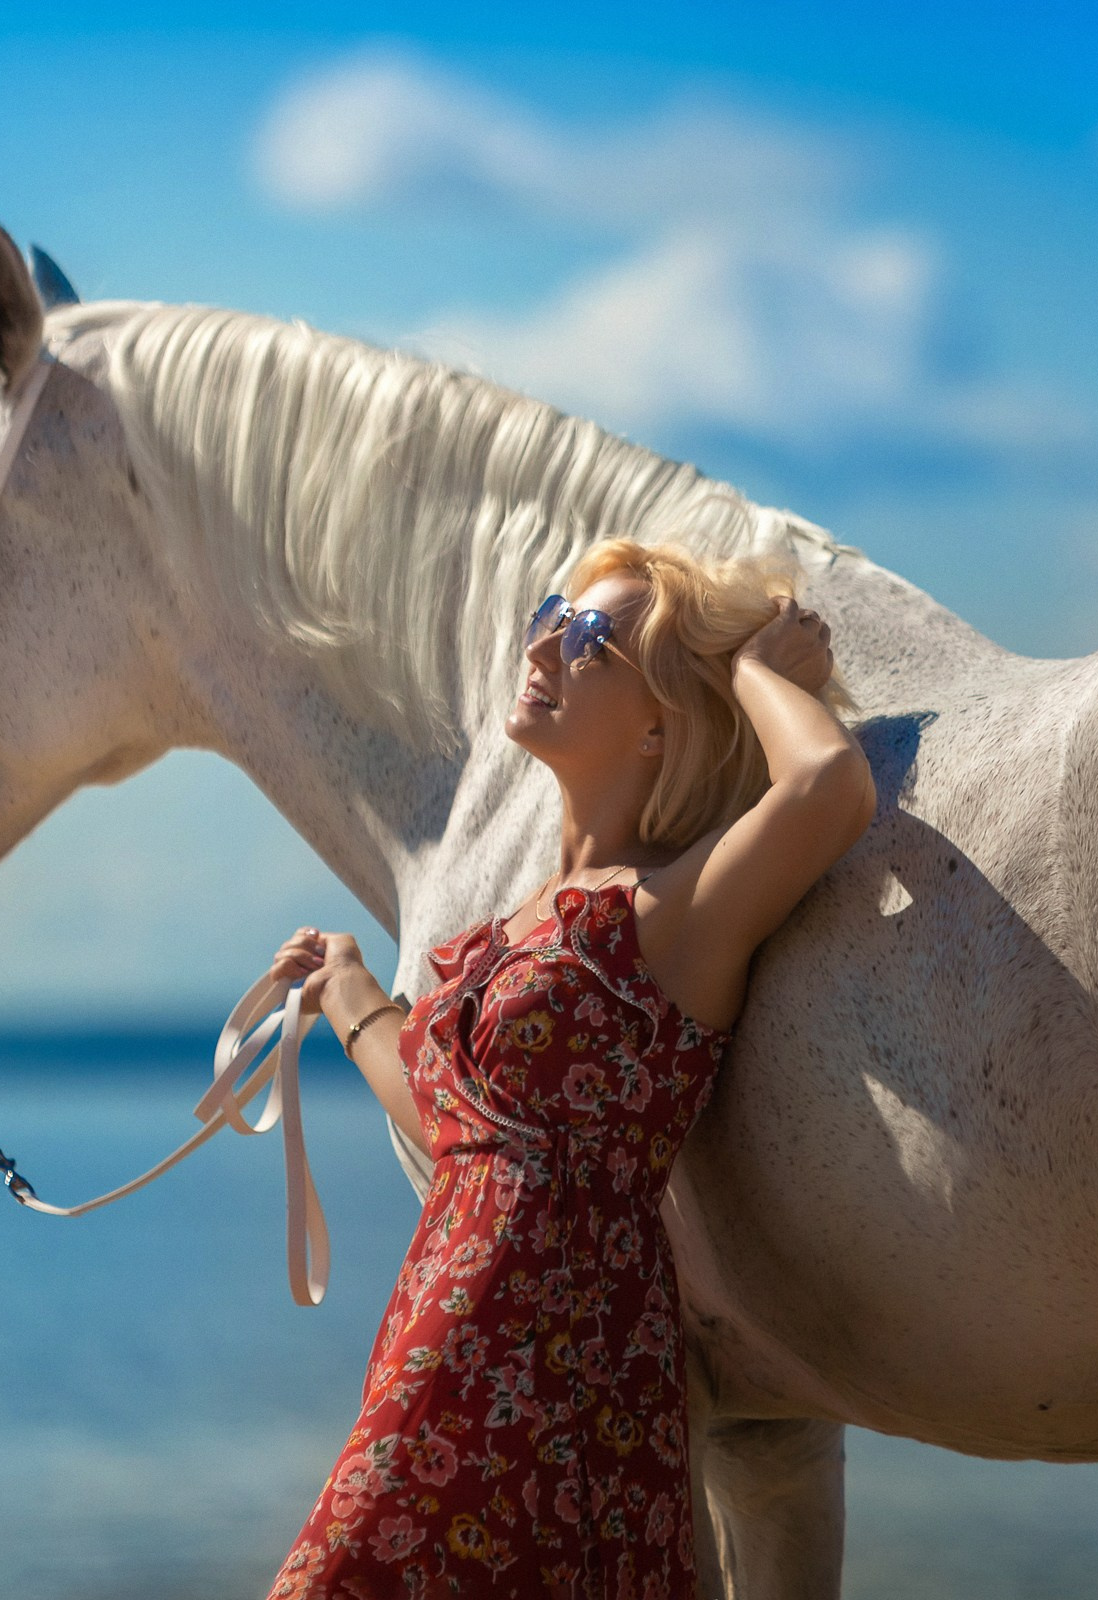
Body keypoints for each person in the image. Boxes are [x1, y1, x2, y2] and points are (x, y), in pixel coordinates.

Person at [265, 537, 877, 1599]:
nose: (546, 639)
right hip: (440, 1354)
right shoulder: (506, 935)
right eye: (555, 612)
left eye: (592, 636)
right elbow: (459, 1126)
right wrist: (350, 991)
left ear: (657, 724)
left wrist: (748, 671)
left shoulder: (666, 912)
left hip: (560, 1378)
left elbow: (827, 787)